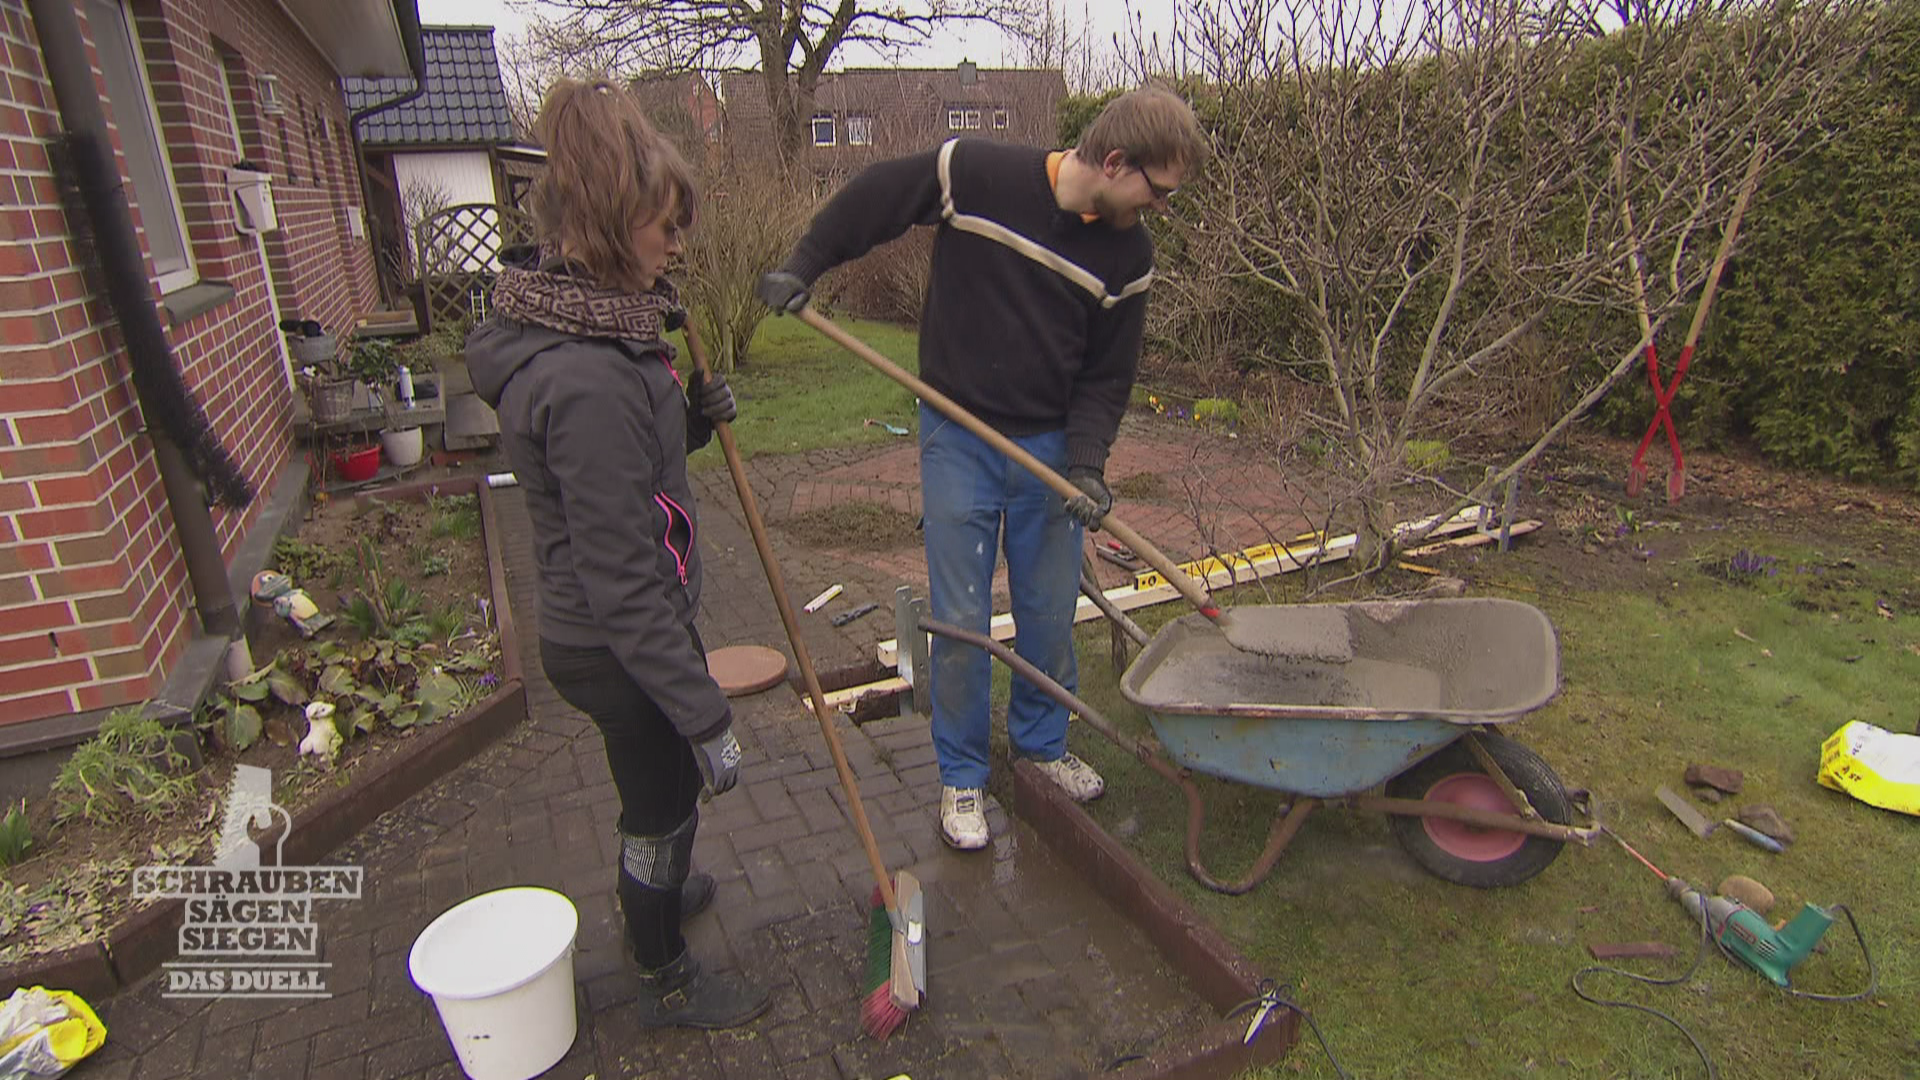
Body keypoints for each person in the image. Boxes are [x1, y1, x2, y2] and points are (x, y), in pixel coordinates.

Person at [757, 86, 1209, 850]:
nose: (1160, 207)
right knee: (962, 621)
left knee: (1048, 612)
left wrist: (1088, 467)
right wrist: (806, 263)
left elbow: (1107, 376)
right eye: (1157, 190)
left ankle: (1042, 747)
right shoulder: (974, 174)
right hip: (958, 438)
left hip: (1050, 451)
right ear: (1114, 161)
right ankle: (962, 776)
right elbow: (877, 197)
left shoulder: (1130, 258)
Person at [468, 77, 769, 1029]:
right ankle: (660, 963)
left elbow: (630, 475)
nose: (678, 246)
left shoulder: (602, 331)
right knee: (663, 798)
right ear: (609, 224)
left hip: (625, 627)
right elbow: (621, 574)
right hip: (616, 639)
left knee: (661, 791)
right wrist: (702, 709)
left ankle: (659, 891)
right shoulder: (587, 374)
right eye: (665, 227)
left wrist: (689, 419)